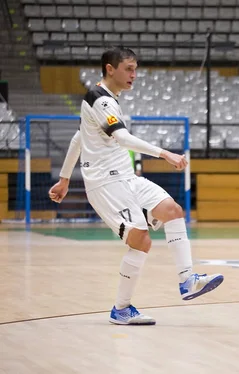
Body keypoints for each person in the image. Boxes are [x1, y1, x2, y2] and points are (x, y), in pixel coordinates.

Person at [48, 47, 223, 325]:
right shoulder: (99, 100)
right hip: (105, 184)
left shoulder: (106, 100)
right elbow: (123, 139)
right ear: (110, 69)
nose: (134, 74)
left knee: (172, 210)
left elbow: (78, 139)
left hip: (127, 178)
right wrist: (165, 153)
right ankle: (121, 308)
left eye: (135, 69)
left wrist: (65, 178)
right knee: (140, 240)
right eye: (129, 68)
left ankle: (188, 280)